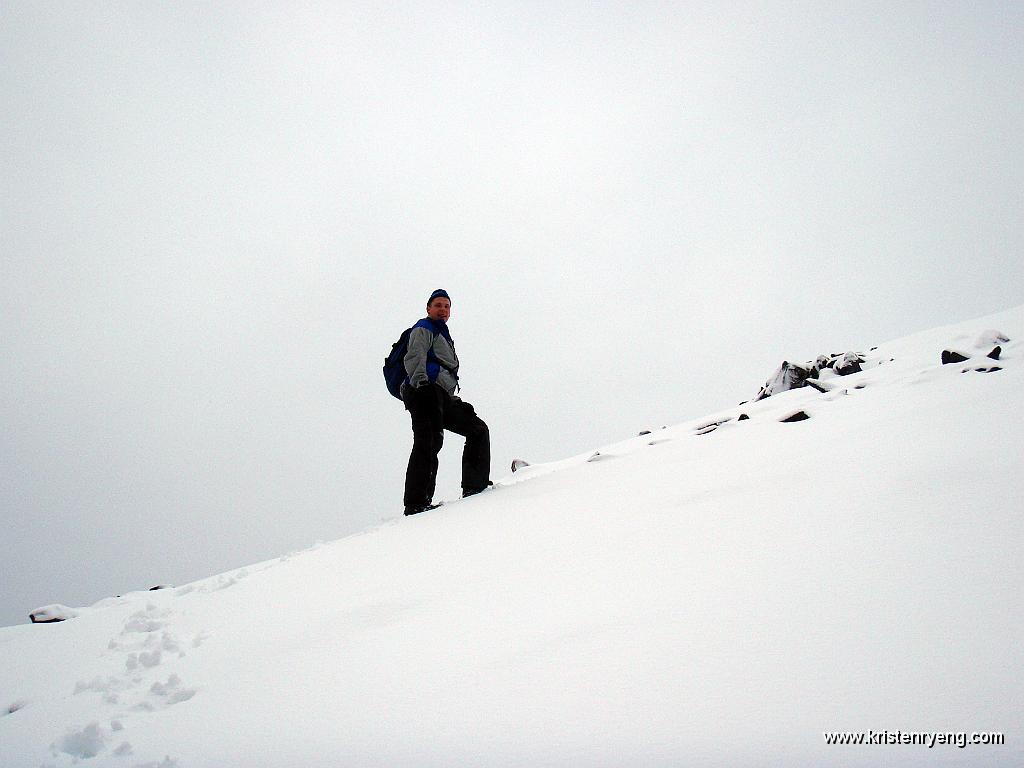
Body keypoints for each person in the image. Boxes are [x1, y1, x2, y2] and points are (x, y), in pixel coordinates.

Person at [401, 289, 491, 515]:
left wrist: (450, 398)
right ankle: (416, 503)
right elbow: (414, 357)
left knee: (478, 429)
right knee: (428, 442)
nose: (443, 309)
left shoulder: (443, 334)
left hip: (441, 395)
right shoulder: (424, 327)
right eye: (438, 305)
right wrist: (421, 385)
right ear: (428, 308)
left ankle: (475, 486)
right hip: (424, 391)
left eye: (447, 306)